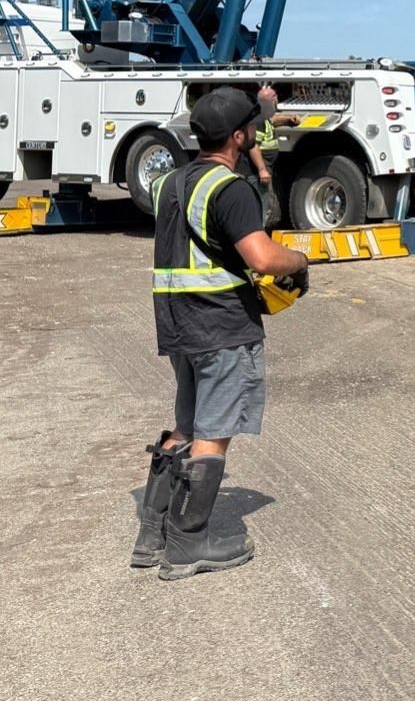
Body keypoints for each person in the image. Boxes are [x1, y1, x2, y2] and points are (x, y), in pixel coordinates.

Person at [133, 87, 310, 580]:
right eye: (251, 127)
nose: (255, 133)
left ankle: (153, 535)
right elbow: (261, 257)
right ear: (238, 137)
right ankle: (190, 544)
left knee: (186, 426)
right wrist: (298, 259)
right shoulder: (229, 188)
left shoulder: (170, 182)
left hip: (179, 324)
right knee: (214, 432)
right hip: (220, 325)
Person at [246, 84, 300, 214]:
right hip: (258, 173)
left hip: (266, 169)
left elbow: (272, 120)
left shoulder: (263, 116)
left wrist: (288, 118)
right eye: (275, 97)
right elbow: (253, 146)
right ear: (271, 101)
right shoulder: (258, 120)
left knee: (265, 205)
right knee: (261, 207)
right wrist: (262, 170)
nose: (277, 100)